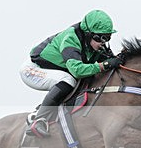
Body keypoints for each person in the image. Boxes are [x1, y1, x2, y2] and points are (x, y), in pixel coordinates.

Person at [19, 10, 123, 138]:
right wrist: (104, 65)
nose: (102, 42)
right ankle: (38, 120)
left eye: (106, 38)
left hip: (56, 70)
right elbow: (77, 71)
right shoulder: (71, 38)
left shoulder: (94, 46)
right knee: (68, 79)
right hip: (32, 69)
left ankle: (42, 109)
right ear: (87, 34)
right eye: (98, 38)